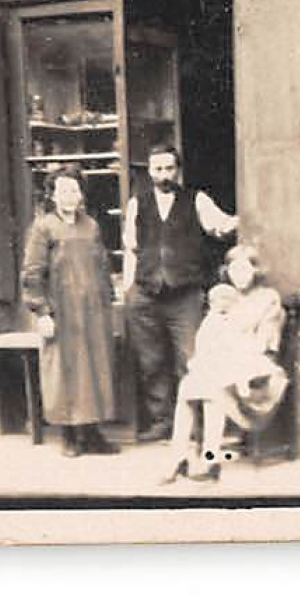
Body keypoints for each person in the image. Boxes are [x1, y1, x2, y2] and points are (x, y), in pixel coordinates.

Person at [121, 143, 239, 442]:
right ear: (149, 171)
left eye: (169, 168)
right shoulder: (138, 203)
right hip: (146, 294)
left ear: (178, 170)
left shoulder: (196, 200)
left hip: (184, 295)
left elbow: (220, 227)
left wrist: (238, 220)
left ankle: (197, 426)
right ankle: (162, 422)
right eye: (157, 169)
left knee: (191, 359)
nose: (163, 174)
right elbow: (131, 248)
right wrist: (129, 289)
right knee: (151, 362)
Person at [161, 244, 287, 483]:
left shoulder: (267, 299)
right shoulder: (223, 298)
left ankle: (210, 459)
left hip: (256, 366)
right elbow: (207, 338)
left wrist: (227, 350)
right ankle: (178, 458)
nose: (239, 276)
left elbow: (263, 344)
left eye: (245, 269)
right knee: (187, 387)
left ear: (255, 271)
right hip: (222, 364)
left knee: (211, 387)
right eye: (233, 270)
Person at [21, 167, 120, 457]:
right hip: (61, 312)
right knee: (64, 372)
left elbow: (102, 266)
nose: (70, 196)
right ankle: (69, 436)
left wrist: (108, 303)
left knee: (95, 371)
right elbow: (32, 272)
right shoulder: (43, 227)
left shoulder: (91, 226)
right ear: (52, 195)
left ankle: (92, 434)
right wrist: (41, 312)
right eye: (63, 190)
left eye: (75, 190)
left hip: (93, 312)